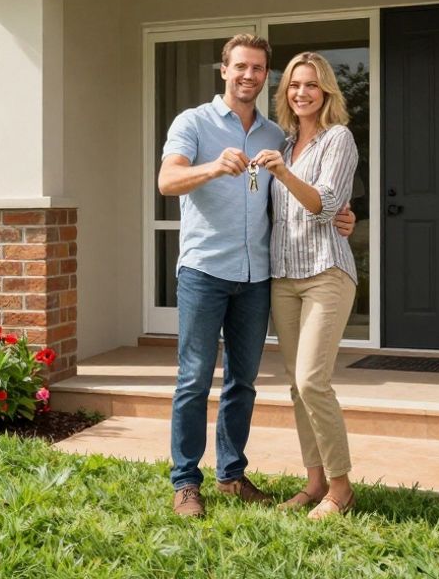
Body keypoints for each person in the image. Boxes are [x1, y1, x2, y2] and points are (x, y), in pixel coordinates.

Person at [158, 34, 353, 518]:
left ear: (267, 76)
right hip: (204, 269)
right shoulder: (194, 122)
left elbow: (308, 196)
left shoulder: (275, 137)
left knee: (244, 381)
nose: (249, 75)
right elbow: (166, 181)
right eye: (241, 66)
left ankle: (230, 475)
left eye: (259, 69)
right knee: (194, 379)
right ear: (224, 70)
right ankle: (186, 483)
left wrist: (342, 215)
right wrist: (209, 168)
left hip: (259, 276)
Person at [253, 51, 360, 519]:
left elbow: (327, 202)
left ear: (327, 91)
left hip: (325, 272)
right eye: (294, 85)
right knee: (296, 386)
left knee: (314, 380)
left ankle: (341, 487)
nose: (302, 92)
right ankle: (314, 483)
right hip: (284, 277)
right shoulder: (287, 140)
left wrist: (282, 172)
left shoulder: (339, 139)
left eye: (311, 85)